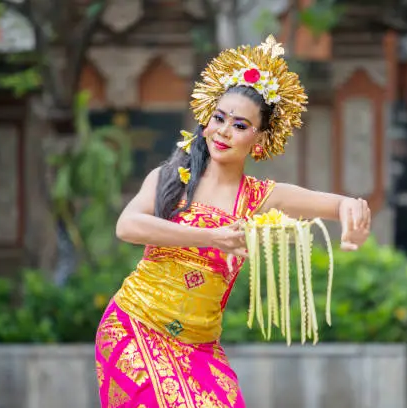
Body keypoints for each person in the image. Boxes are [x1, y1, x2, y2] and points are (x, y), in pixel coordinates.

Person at [95, 35, 371, 408]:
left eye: (240, 126)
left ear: (259, 140)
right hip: (136, 326)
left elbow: (338, 204)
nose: (224, 131)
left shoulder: (259, 197)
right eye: (219, 118)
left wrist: (353, 213)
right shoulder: (171, 178)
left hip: (201, 345)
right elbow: (127, 226)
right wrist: (211, 237)